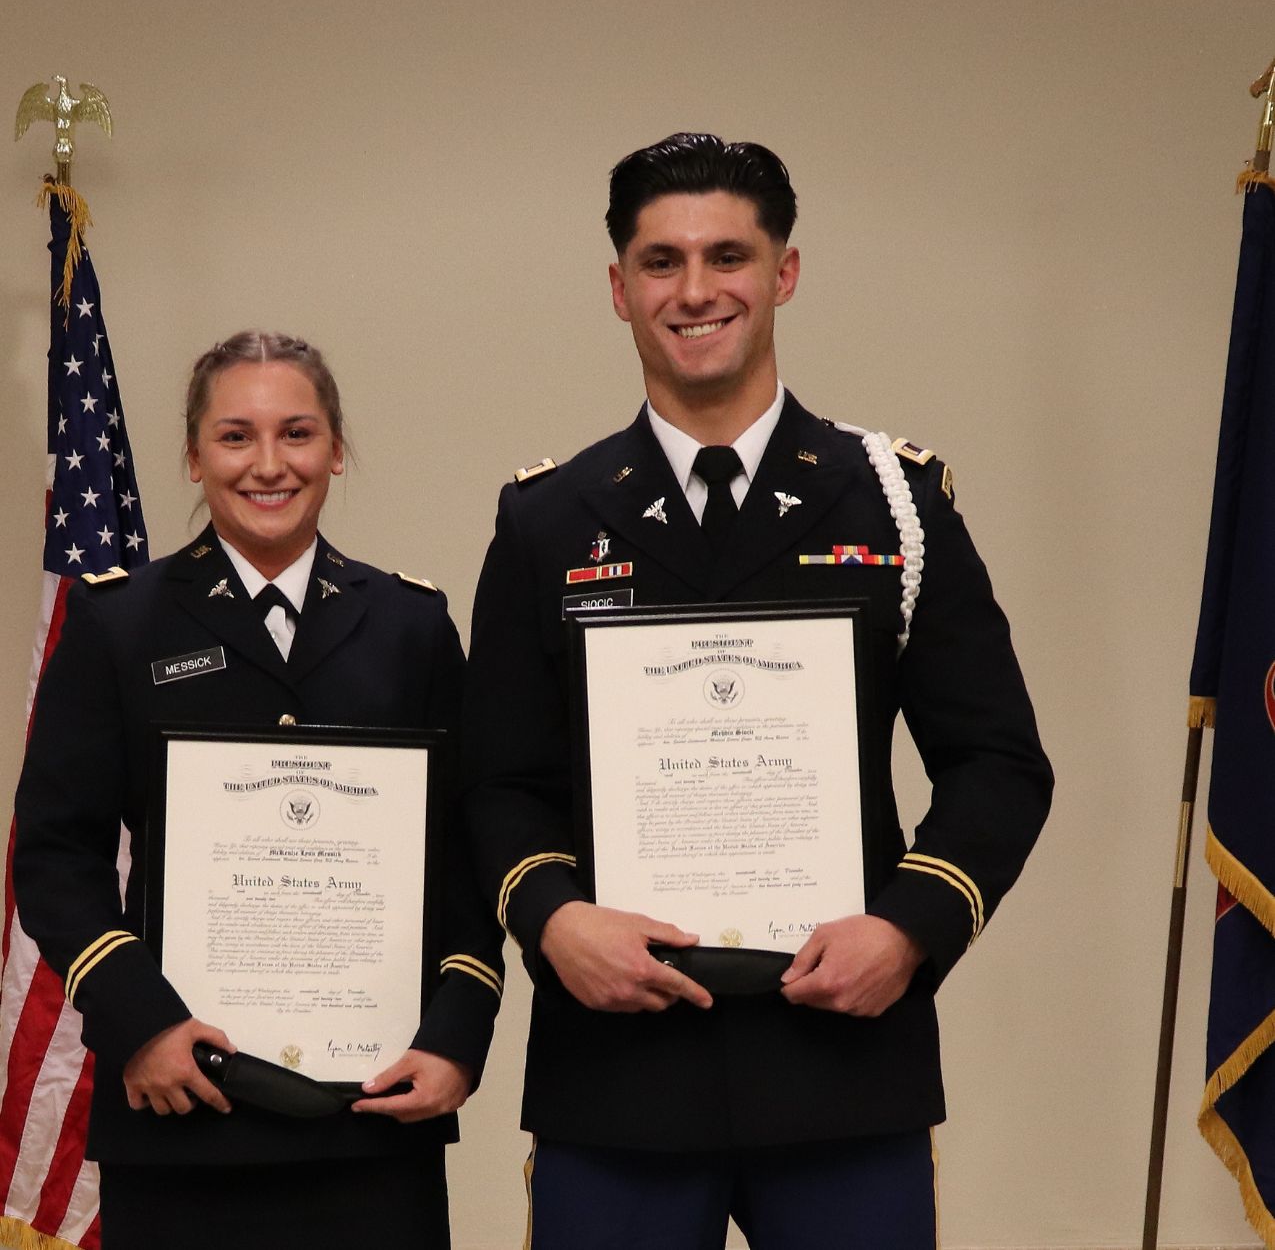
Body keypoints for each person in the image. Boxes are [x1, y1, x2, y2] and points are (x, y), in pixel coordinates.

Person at [462, 134, 1053, 1248]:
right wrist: (556, 917)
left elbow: (1000, 763)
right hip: (618, 1077)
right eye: (660, 262)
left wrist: (911, 928)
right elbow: (499, 780)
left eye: (727, 256)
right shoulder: (548, 519)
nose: (695, 291)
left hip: (842, 1067)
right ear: (619, 289)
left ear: (784, 272)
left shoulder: (893, 503)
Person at [14, 331, 504, 1249]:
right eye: (236, 436)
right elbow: (54, 851)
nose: (269, 464)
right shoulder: (118, 622)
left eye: (298, 433)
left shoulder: (411, 627)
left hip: (373, 1113)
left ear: (337, 450)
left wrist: (456, 1035)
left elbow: (466, 857)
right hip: (182, 1105)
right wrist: (139, 1022)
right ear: (194, 457)